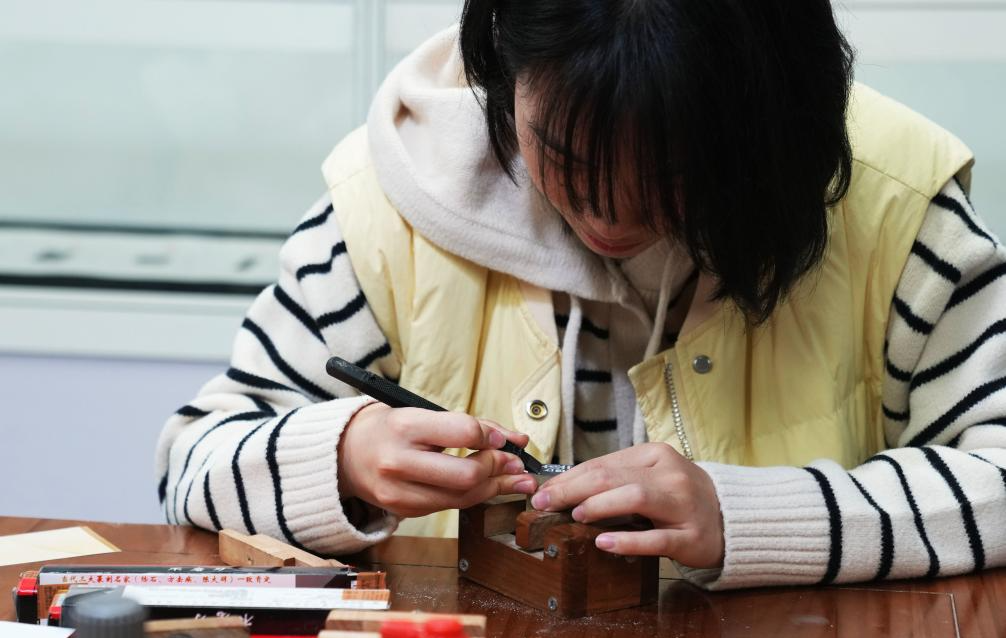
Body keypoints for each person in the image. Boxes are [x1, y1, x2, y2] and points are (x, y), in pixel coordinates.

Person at [156, 0, 1006, 589]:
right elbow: (192, 463)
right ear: (506, 68)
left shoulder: (894, 207)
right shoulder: (391, 204)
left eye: (670, 177)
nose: (607, 215)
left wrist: (742, 516)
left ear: (763, 129)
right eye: (564, 156)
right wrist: (345, 457)